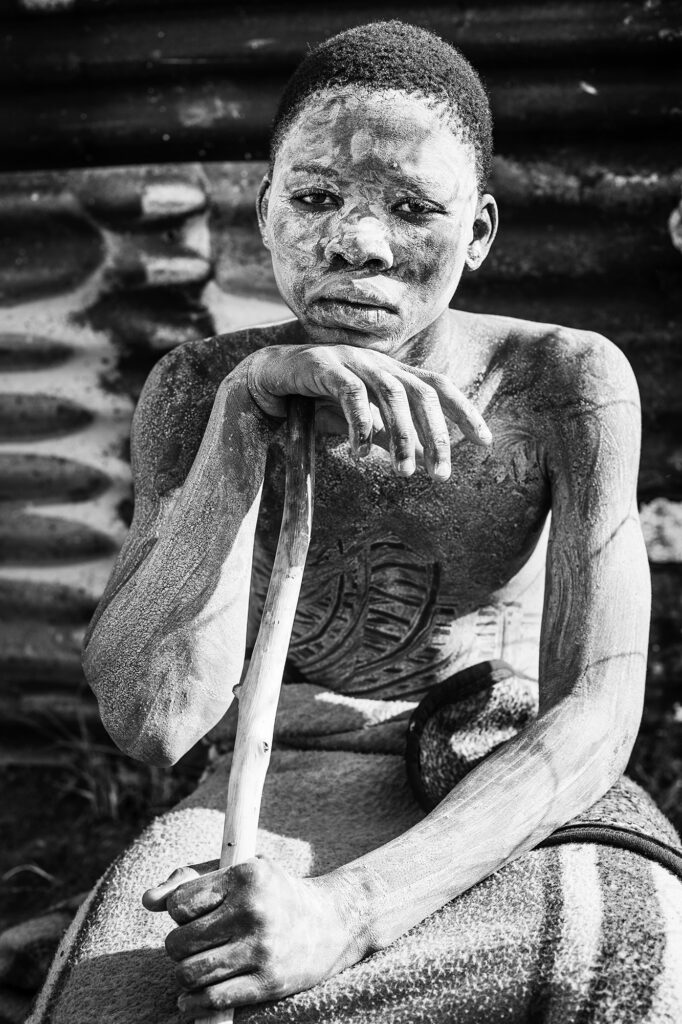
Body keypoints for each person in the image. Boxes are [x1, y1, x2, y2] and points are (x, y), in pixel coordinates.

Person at [29, 20, 682, 1024]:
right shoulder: (199, 385)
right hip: (269, 778)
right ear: (266, 210)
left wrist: (348, 911)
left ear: (479, 232)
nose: (357, 244)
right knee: (119, 999)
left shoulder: (563, 380)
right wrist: (244, 421)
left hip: (503, 781)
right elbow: (155, 724)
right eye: (317, 198)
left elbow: (595, 713)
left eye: (413, 209)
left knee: (627, 952)